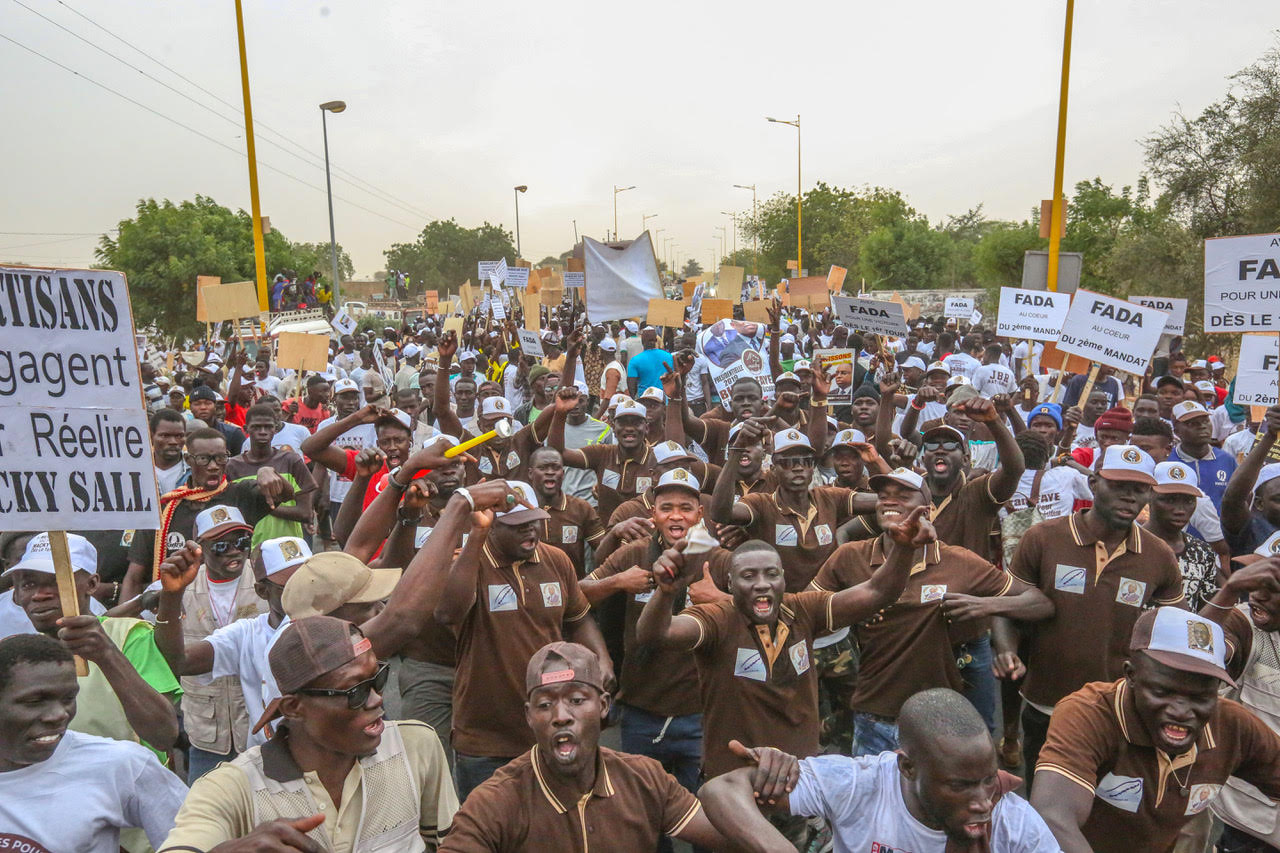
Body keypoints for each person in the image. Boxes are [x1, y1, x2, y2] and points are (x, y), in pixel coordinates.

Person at [634, 504, 933, 789]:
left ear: (783, 579)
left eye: (771, 574)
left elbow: (877, 591)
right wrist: (665, 594)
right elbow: (657, 635)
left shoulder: (803, 610)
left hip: (799, 780)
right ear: (731, 583)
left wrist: (904, 550)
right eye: (748, 576)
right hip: (735, 782)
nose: (762, 584)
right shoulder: (717, 620)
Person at [159, 616, 458, 851]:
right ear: (293, 707)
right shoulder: (231, 788)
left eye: (378, 679)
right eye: (355, 691)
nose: (377, 700)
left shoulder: (415, 747)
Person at [810, 467, 1053, 755]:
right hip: (873, 715)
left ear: (925, 509)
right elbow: (805, 612)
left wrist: (983, 605)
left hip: (937, 719)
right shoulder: (850, 556)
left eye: (902, 495)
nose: (889, 501)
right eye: (883, 495)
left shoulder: (958, 561)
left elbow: (1040, 602)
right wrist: (851, 610)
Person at [1031, 607, 1280, 853]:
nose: (1182, 711)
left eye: (1201, 697)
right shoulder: (1089, 714)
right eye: (1164, 692)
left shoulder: (1231, 726)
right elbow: (1053, 817)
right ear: (1131, 675)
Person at [1004, 444, 1184, 780]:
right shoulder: (1043, 537)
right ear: (1094, 484)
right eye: (1118, 486)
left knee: (1102, 812)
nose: (1129, 498)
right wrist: (1006, 650)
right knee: (1044, 805)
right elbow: (1008, 605)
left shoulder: (1158, 556)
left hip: (1118, 710)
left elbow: (1177, 630)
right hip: (1047, 702)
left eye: (1139, 490)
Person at [441, 642, 728, 850]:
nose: (561, 716)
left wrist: (752, 784)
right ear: (529, 716)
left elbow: (727, 837)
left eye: (576, 700)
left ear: (603, 706)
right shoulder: (497, 801)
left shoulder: (644, 779)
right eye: (545, 704)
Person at [699, 688, 1060, 853]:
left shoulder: (1013, 821)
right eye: (960, 786)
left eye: (987, 781)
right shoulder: (860, 783)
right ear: (907, 767)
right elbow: (721, 790)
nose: (983, 801)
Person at [433, 480, 613, 800]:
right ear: (492, 524)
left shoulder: (556, 560)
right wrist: (476, 537)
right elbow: (448, 612)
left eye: (534, 523)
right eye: (518, 526)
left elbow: (578, 617)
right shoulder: (469, 562)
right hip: (486, 739)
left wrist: (602, 657)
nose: (530, 532)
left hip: (552, 732)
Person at [0, 634, 187, 853]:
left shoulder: (121, 764)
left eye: (69, 698)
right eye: (34, 701)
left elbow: (194, 839)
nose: (59, 715)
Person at [5, 533, 181, 756]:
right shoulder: (20, 653)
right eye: (28, 584)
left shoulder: (129, 636)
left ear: (92, 584)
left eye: (58, 581)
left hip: (125, 786)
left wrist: (107, 655)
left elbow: (163, 735)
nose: (39, 595)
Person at [122, 427, 293, 602]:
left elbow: (285, 494)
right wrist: (121, 625)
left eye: (220, 458)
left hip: (238, 598)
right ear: (188, 460)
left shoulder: (241, 494)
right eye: (204, 459)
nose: (213, 466)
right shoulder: (165, 509)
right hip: (179, 604)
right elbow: (134, 576)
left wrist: (267, 472)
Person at [178, 505, 268, 782]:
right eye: (221, 545)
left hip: (260, 732)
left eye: (241, 542)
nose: (234, 551)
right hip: (205, 734)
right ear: (200, 547)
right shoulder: (178, 588)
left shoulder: (267, 581)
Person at [227, 402, 318, 547]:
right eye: (256, 427)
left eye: (268, 427)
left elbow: (305, 513)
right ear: (246, 429)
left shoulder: (291, 461)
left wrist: (262, 506)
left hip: (288, 546)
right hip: (249, 547)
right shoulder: (233, 467)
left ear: (275, 429)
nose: (262, 431)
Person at [1171, 399, 1238, 512]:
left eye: (1205, 421)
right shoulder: (1168, 461)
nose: (1202, 426)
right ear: (1177, 431)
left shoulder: (1227, 460)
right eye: (1192, 423)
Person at [190, 385, 246, 455]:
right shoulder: (183, 433)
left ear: (215, 406)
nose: (203, 407)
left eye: (208, 403)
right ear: (190, 407)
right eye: (197, 404)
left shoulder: (233, 434)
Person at [152, 408, 191, 495]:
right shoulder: (137, 470)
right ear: (151, 436)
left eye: (179, 436)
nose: (173, 442)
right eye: (165, 435)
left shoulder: (196, 467)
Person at [626, 327, 674, 397]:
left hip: (645, 401)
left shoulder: (635, 360)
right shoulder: (669, 356)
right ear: (656, 340)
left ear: (642, 341)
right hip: (664, 401)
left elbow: (631, 387)